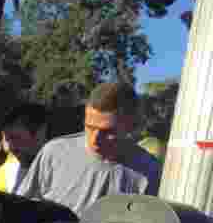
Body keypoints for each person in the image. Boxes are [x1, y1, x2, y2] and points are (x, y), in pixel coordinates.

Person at [11, 82, 161, 208]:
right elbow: (21, 207)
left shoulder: (149, 170)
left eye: (107, 131)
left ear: (130, 126)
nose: (95, 139)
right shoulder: (54, 152)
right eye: (89, 127)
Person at [0, 104, 48, 193]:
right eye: (6, 139)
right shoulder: (2, 177)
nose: (10, 146)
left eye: (16, 138)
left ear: (39, 134)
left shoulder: (54, 169)